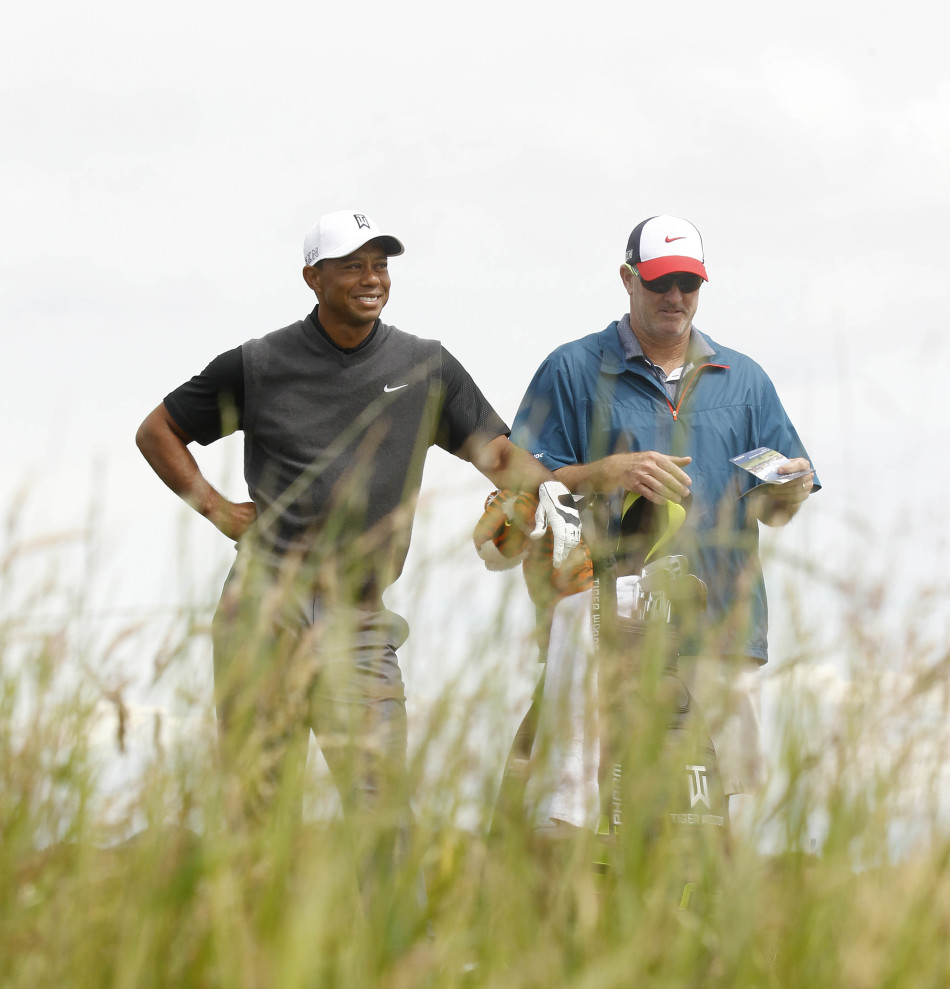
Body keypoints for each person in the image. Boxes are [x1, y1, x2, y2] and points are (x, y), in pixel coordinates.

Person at [135, 208, 579, 836]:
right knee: (258, 814)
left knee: (384, 817)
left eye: (380, 265)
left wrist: (583, 486)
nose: (371, 278)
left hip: (361, 613)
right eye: (353, 266)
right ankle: (258, 934)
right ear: (313, 277)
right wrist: (220, 510)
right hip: (265, 602)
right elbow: (159, 431)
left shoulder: (426, 366)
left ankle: (390, 939)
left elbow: (502, 458)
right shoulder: (258, 363)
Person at [508, 214, 820, 828]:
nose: (675, 297)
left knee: (717, 822)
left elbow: (774, 512)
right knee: (592, 815)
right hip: (605, 637)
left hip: (723, 635)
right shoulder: (573, 369)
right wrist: (610, 470)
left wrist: (795, 487)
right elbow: (520, 487)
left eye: (688, 282)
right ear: (627, 279)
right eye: (659, 282)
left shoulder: (746, 379)